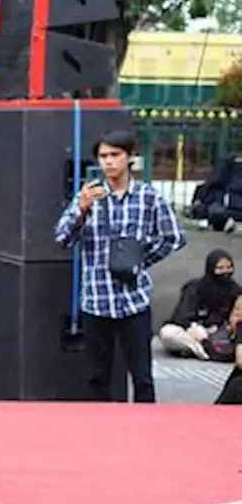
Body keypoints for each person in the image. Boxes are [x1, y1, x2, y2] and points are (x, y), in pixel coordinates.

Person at [54, 129, 186, 402]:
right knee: (97, 376)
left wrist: (139, 261)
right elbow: (62, 238)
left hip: (133, 300)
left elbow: (174, 237)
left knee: (142, 377)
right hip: (96, 301)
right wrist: (80, 209)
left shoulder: (149, 197)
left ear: (130, 158)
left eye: (115, 155)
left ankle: (145, 430)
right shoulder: (90, 196)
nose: (109, 162)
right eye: (103, 156)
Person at [158, 249, 240, 361]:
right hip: (192, 331)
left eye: (229, 268)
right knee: (168, 333)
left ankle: (203, 350)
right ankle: (206, 351)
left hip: (221, 333)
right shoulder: (195, 288)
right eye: (220, 268)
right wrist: (195, 328)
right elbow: (182, 316)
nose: (225, 272)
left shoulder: (235, 290)